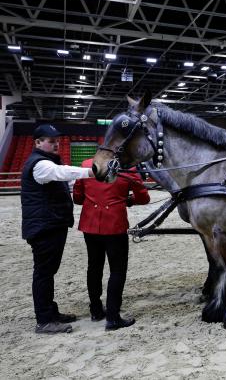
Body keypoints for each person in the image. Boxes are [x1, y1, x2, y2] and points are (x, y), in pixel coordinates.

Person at [21, 124, 94, 334]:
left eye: (57, 141)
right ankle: (44, 320)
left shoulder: (47, 162)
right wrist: (92, 171)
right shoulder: (41, 164)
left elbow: (65, 175)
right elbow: (62, 173)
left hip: (50, 224)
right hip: (45, 226)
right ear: (37, 143)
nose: (56, 144)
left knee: (47, 272)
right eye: (51, 141)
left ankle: (50, 312)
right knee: (44, 273)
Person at [73, 158, 150, 331]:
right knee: (117, 270)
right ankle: (113, 317)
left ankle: (96, 310)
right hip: (114, 225)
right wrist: (128, 200)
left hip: (90, 224)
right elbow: (144, 198)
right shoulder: (127, 168)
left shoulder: (86, 165)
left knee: (94, 267)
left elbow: (77, 198)